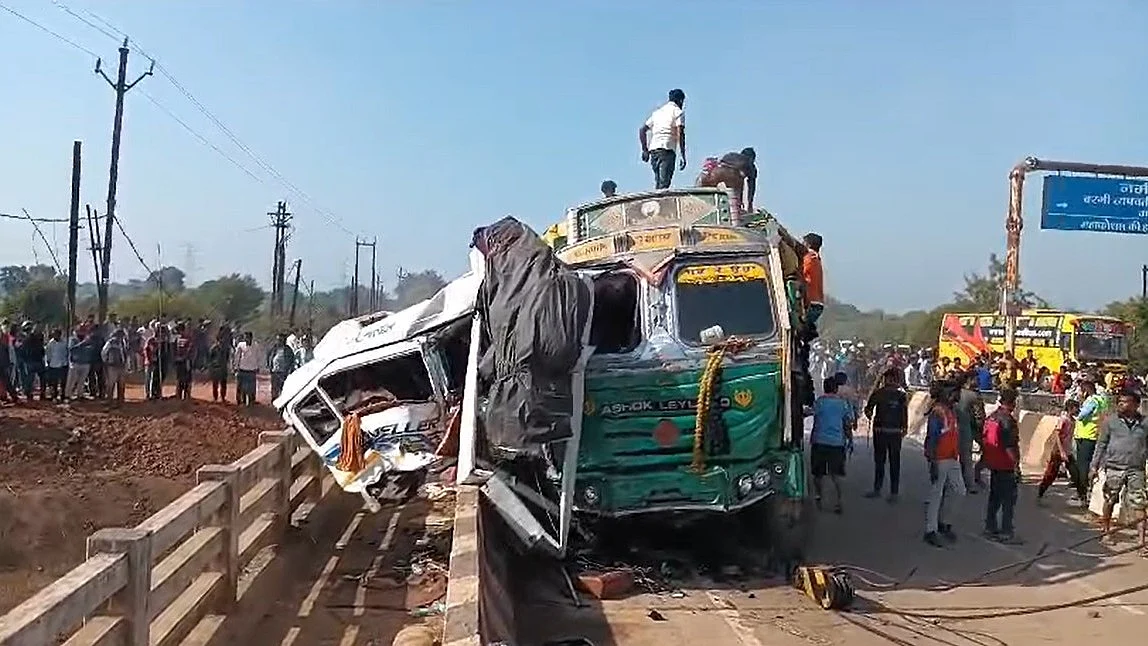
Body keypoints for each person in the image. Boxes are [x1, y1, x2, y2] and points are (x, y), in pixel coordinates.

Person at [1089, 390, 1148, 552]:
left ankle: (1142, 541)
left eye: (1125, 401)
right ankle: (1106, 531)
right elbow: (1101, 444)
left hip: (1136, 470)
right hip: (1114, 468)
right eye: (1119, 401)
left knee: (1139, 504)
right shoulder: (1110, 422)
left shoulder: (1145, 423)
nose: (1121, 404)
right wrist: (1094, 466)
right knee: (1110, 500)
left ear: (1135, 405)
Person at [923, 380, 965, 547]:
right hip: (939, 458)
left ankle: (943, 522)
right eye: (954, 393)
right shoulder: (938, 412)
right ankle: (930, 530)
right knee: (936, 494)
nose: (957, 396)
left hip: (952, 457)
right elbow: (932, 438)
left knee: (959, 491)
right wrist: (932, 461)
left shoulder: (950, 410)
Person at [981, 388, 1023, 544]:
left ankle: (990, 527)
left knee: (995, 497)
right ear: (1012, 402)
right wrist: (1016, 465)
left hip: (994, 462)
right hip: (1006, 464)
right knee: (1008, 500)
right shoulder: (1008, 421)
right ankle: (1006, 532)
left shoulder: (992, 417)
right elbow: (1010, 446)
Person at [810, 377, 855, 514]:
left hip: (819, 441)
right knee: (836, 475)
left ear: (825, 388)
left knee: (818, 474)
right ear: (836, 389)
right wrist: (850, 440)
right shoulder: (843, 404)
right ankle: (839, 502)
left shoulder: (819, 402)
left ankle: (819, 496)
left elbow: (810, 413)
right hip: (837, 443)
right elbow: (848, 423)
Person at [863, 368, 908, 502]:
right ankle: (893, 492)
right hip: (894, 432)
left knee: (880, 461)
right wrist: (904, 428)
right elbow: (904, 413)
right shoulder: (901, 395)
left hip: (881, 431)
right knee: (894, 462)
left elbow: (868, 409)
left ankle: (878, 489)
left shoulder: (879, 393)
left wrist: (868, 414)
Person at [1038, 399, 1088, 505]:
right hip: (1058, 450)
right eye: (1075, 408)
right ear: (1070, 408)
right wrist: (1061, 451)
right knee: (1051, 473)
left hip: (1067, 451)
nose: (1077, 410)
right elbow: (1057, 434)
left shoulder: (1072, 421)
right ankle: (1041, 492)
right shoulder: (1064, 419)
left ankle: (1082, 497)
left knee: (1076, 474)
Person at [638, 88, 686, 189]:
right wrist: (682, 155)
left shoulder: (658, 112)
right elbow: (680, 133)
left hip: (654, 151)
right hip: (667, 149)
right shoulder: (678, 112)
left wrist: (645, 150)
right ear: (680, 100)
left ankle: (657, 197)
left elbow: (642, 130)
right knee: (664, 184)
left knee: (659, 182)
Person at [696, 147, 758, 215]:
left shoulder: (732, 155)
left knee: (708, 192)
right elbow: (751, 187)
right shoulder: (749, 163)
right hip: (731, 174)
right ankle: (737, 209)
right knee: (739, 181)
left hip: (716, 171)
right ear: (752, 158)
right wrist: (749, 203)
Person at [955, 371, 987, 492]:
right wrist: (981, 431)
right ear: (968, 380)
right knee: (967, 457)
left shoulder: (956, 393)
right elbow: (979, 416)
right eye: (975, 378)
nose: (978, 380)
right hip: (968, 428)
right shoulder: (973, 396)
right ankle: (970, 484)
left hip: (955, 427)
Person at [1074, 376, 1104, 499]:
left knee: (1082, 465)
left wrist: (1077, 408)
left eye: (1081, 391)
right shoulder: (1101, 400)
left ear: (1086, 391)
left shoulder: (1091, 401)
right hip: (1093, 434)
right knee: (1088, 463)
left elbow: (1081, 416)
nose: (1079, 393)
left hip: (1085, 435)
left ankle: (1083, 492)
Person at [266, 333, 297, 401]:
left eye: (281, 340)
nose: (279, 341)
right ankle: (274, 400)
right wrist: (269, 367)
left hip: (284, 372)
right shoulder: (274, 349)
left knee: (283, 388)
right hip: (275, 372)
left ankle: (283, 401)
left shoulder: (288, 350)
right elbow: (269, 357)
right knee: (274, 388)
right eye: (278, 340)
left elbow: (292, 360)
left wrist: (290, 370)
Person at [65, 329, 93, 401]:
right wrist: (82, 344)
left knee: (82, 381)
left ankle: (80, 395)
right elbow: (71, 349)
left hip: (85, 363)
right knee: (72, 380)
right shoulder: (73, 340)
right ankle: (67, 395)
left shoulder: (88, 340)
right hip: (75, 363)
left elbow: (91, 349)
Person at [101, 329, 128, 404]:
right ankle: (109, 399)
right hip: (112, 365)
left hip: (121, 365)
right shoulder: (110, 342)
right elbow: (104, 352)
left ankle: (120, 399)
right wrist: (106, 361)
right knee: (111, 383)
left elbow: (125, 353)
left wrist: (125, 364)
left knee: (121, 382)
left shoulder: (123, 342)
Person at [233, 331, 260, 406]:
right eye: (245, 337)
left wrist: (258, 366)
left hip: (252, 369)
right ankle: (241, 401)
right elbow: (237, 356)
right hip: (242, 368)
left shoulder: (256, 345)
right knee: (240, 386)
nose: (246, 339)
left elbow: (258, 357)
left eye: (248, 337)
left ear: (251, 338)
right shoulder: (240, 345)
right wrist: (236, 367)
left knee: (252, 387)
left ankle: (252, 401)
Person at [44, 328, 68, 402]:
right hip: (53, 365)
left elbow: (66, 352)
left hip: (63, 364)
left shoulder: (64, 342)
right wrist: (48, 363)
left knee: (63, 382)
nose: (56, 335)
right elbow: (48, 354)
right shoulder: (50, 343)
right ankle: (54, 396)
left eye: (57, 334)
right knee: (54, 382)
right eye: (54, 334)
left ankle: (63, 396)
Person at [207, 333, 231, 403]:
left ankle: (223, 398)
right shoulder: (213, 348)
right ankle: (215, 398)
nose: (221, 341)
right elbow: (210, 359)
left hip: (223, 368)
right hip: (216, 368)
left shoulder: (226, 349)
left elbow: (227, 358)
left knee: (223, 384)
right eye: (220, 339)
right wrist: (212, 366)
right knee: (215, 384)